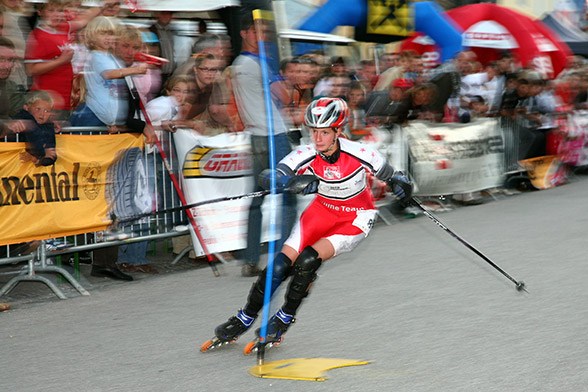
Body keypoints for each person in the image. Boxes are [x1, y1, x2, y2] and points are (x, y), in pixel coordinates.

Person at [208, 97, 412, 347]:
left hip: (355, 216)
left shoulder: (359, 152)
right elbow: (272, 175)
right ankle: (244, 318)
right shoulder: (306, 153)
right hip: (322, 211)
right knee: (279, 266)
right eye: (313, 131)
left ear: (338, 131)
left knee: (307, 260)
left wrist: (403, 185)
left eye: (324, 132)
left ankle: (283, 318)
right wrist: (289, 182)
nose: (317, 139)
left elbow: (393, 176)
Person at [231, 14, 297, 277]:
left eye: (264, 31)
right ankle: (283, 259)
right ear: (245, 33)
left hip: (256, 136)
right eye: (257, 31)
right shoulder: (259, 64)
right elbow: (286, 95)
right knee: (288, 196)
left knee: (257, 198)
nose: (263, 37)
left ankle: (249, 260)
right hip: (273, 136)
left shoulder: (236, 65)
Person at [16, 90, 57, 166]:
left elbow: (51, 155)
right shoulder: (23, 121)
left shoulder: (48, 126)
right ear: (26, 108)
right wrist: (42, 153)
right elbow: (33, 138)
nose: (42, 114)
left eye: (46, 111)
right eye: (38, 109)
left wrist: (36, 159)